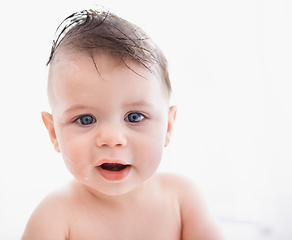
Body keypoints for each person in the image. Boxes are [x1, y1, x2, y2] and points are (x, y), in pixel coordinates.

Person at [22, 9, 223, 240]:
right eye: (85, 119)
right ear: (54, 133)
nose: (112, 138)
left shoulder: (182, 200)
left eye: (134, 117)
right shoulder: (54, 218)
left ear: (167, 127)